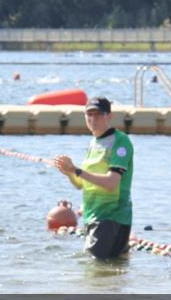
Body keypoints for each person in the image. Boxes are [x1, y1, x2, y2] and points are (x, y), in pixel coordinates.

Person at [54, 97, 134, 260]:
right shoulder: (94, 142)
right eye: (89, 114)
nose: (93, 119)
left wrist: (76, 170)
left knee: (96, 268)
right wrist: (68, 172)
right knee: (105, 270)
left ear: (109, 116)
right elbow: (81, 184)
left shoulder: (120, 141)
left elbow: (111, 183)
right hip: (93, 216)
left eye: (98, 114)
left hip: (112, 217)